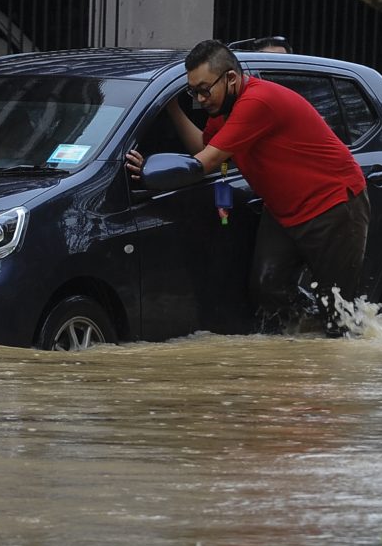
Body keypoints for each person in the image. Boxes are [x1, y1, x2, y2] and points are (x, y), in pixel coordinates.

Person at [126, 39, 369, 336]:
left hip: (333, 206)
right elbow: (204, 146)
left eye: (205, 89)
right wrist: (173, 108)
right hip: (283, 211)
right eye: (194, 92)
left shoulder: (256, 102)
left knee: (338, 311)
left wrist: (150, 173)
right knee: (268, 287)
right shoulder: (225, 112)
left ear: (230, 79)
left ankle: (343, 351)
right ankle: (312, 342)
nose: (201, 99)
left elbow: (206, 162)